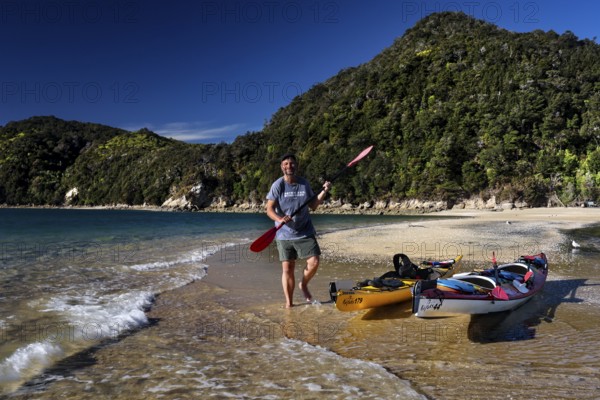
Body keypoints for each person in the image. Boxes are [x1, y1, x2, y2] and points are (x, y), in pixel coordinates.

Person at [266, 153, 332, 308]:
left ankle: (304, 284)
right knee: (288, 269)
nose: (289, 166)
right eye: (286, 163)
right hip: (284, 234)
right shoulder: (278, 185)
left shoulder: (304, 184)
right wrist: (280, 219)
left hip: (304, 231)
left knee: (314, 261)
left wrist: (325, 190)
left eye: (292, 163)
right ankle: (289, 304)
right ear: (282, 167)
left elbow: (313, 205)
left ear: (297, 166)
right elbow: (269, 209)